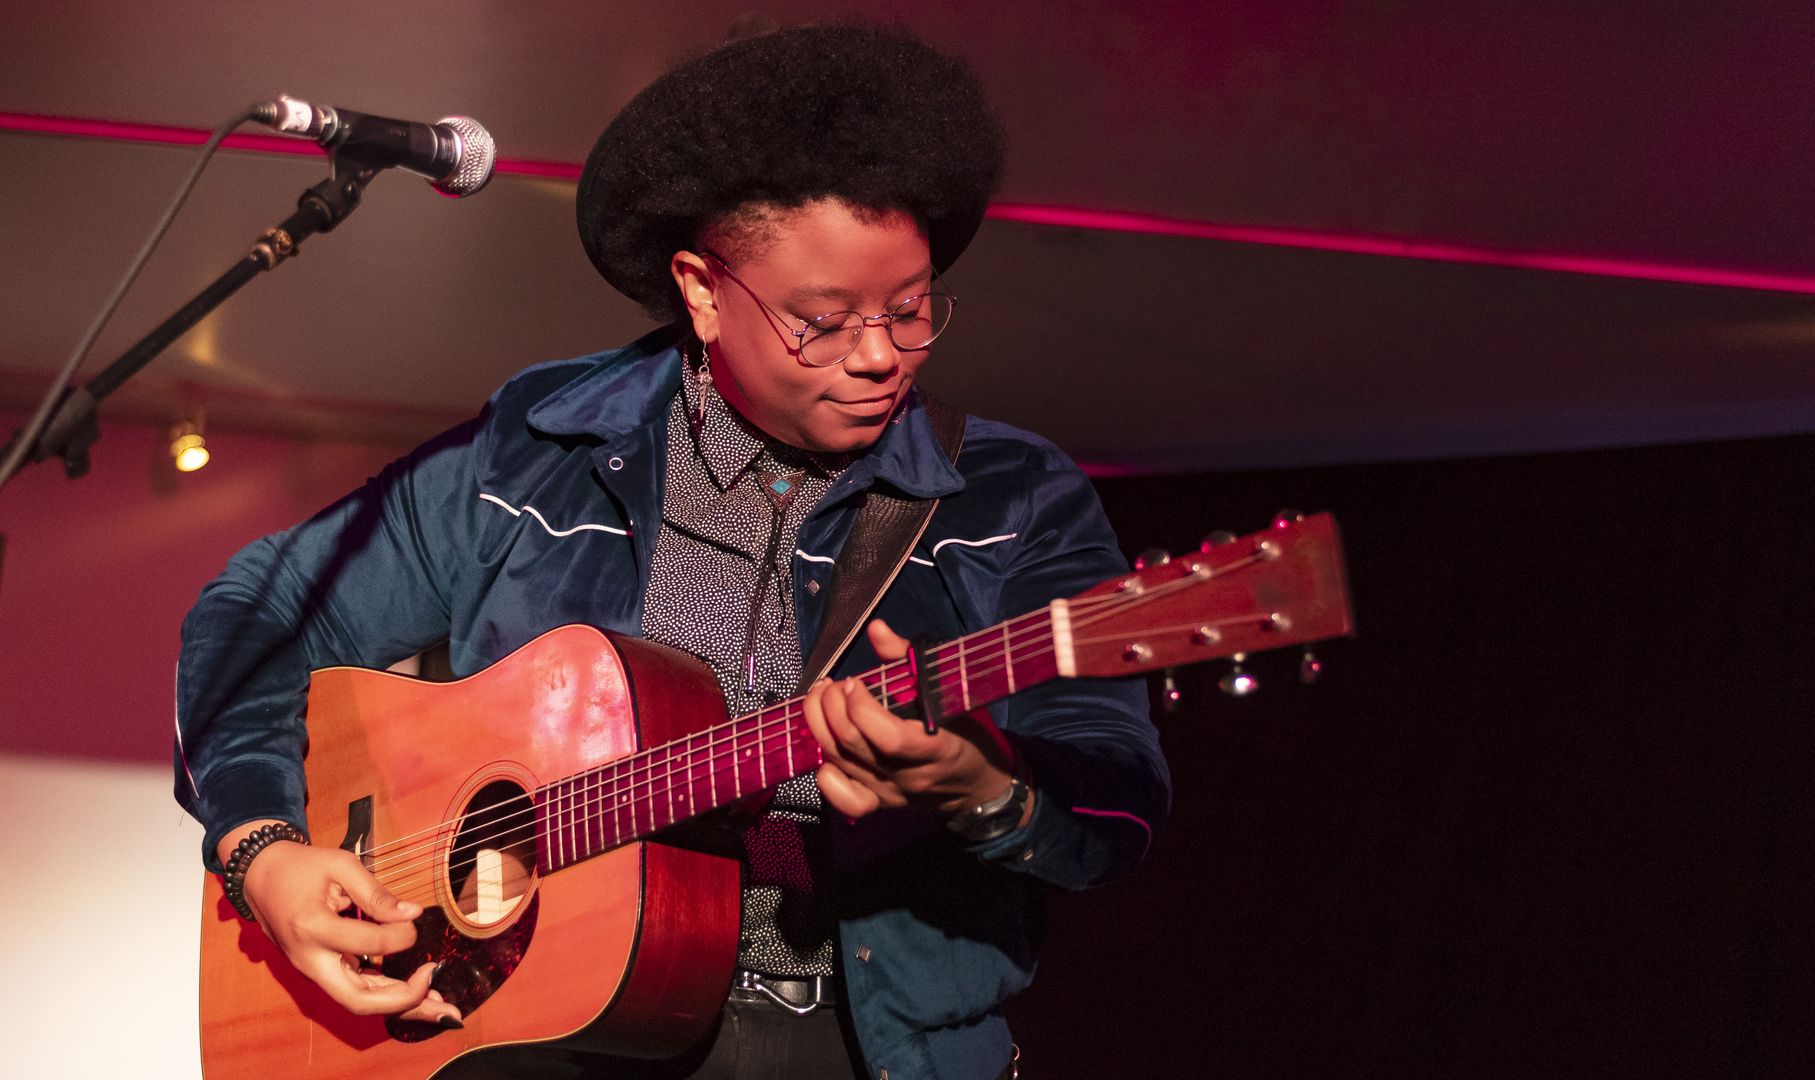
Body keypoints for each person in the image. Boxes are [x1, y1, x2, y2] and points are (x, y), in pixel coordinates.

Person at [174, 20, 1169, 1080]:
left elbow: (1114, 807)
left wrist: (980, 783)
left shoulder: (1012, 499)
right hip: (532, 1038)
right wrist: (259, 850)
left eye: (911, 309)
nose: (879, 355)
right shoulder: (536, 449)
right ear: (701, 289)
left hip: (864, 1049)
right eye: (822, 321)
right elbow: (254, 616)